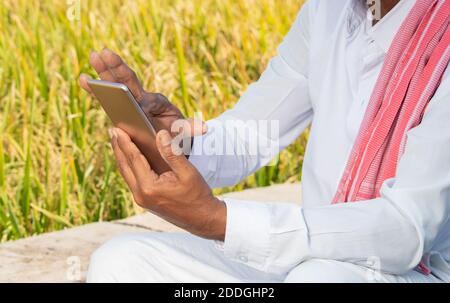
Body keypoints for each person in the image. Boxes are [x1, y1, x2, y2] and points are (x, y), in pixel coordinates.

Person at [79, 0, 450, 283]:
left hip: (413, 271)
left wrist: (220, 221)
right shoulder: (328, 10)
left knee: (318, 278)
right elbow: (253, 131)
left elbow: (407, 229)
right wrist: (177, 142)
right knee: (122, 263)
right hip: (307, 256)